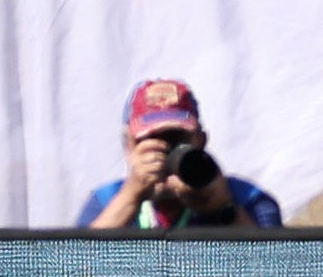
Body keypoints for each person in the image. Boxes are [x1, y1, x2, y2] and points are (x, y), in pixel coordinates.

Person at [70, 75, 283, 229]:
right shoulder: (106, 200)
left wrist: (224, 210)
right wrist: (131, 197)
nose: (166, 153)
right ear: (129, 147)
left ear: (201, 142)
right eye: (150, 140)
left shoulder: (247, 199)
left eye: (176, 140)